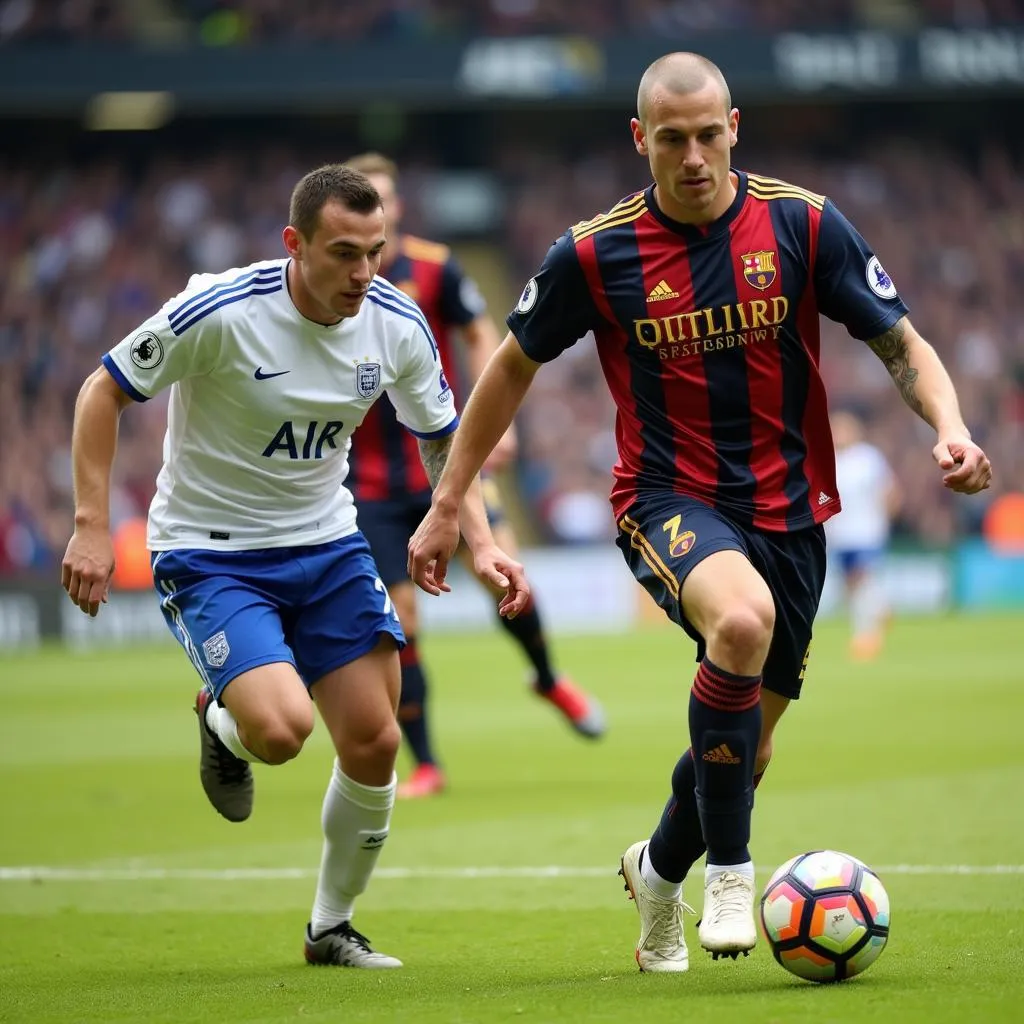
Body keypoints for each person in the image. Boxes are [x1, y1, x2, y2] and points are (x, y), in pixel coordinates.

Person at [408, 52, 992, 972]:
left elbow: (901, 341)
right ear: (641, 140)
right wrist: (449, 504)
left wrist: (952, 427)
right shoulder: (594, 254)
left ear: (734, 129)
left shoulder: (801, 224)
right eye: (670, 138)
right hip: (668, 497)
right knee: (742, 619)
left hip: (793, 514)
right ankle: (730, 872)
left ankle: (655, 871)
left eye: (707, 135)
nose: (691, 156)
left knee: (743, 754)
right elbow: (508, 369)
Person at [60, 164, 528, 969]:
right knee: (280, 732)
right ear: (294, 243)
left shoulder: (395, 320)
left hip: (326, 542)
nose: (362, 273)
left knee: (376, 741)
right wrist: (92, 526)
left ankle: (330, 928)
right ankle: (222, 721)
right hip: (212, 553)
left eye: (374, 252)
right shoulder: (220, 310)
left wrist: (480, 539)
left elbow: (445, 438)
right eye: (343, 253)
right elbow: (100, 393)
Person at [341, 152, 606, 800]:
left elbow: (483, 332)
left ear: (396, 207)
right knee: (398, 619)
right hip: (372, 483)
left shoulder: (434, 268)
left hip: (446, 465)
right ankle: (427, 762)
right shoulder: (335, 281)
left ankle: (546, 676)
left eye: (380, 199)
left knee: (507, 574)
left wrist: (501, 421)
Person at [827, 410, 901, 660]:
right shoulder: (830, 460)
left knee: (860, 579)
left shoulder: (869, 458)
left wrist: (884, 521)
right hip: (840, 534)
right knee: (851, 585)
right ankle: (881, 608)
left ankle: (865, 636)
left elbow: (890, 491)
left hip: (867, 532)